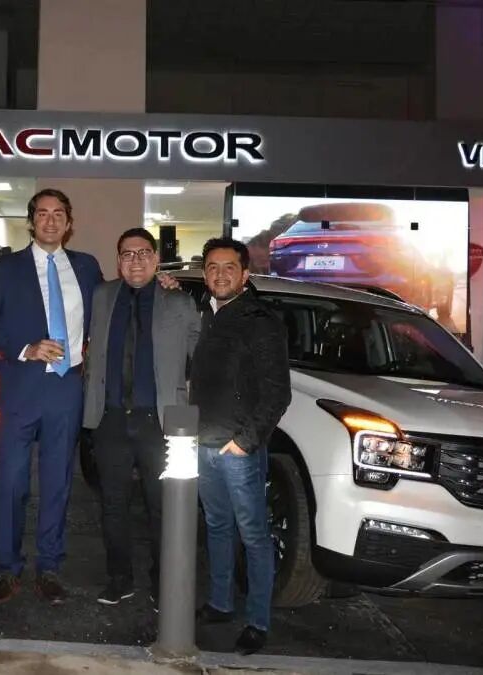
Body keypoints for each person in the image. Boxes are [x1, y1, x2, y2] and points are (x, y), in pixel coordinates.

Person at [0, 188, 104, 605]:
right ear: (31, 221)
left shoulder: (87, 267)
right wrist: (25, 348)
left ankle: (49, 567)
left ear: (69, 223)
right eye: (42, 213)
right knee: (12, 481)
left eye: (58, 214)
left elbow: (111, 308)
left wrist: (161, 283)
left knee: (58, 482)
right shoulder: (5, 269)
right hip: (19, 385)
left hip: (66, 387)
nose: (50, 221)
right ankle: (7, 567)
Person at [82, 228, 200, 607]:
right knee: (112, 504)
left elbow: (201, 355)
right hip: (111, 417)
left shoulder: (179, 302)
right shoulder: (102, 296)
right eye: (127, 254)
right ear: (118, 261)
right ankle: (120, 579)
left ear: (156, 259)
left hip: (160, 422)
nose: (136, 260)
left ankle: (163, 584)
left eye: (144, 253)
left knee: (161, 506)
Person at [190, 237, 290, 655]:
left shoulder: (260, 320)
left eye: (229, 267)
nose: (220, 274)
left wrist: (243, 443)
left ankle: (257, 621)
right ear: (204, 274)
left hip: (237, 449)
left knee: (253, 534)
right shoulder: (206, 313)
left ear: (245, 274)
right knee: (217, 526)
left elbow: (277, 393)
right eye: (212, 267)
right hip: (203, 443)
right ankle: (220, 602)